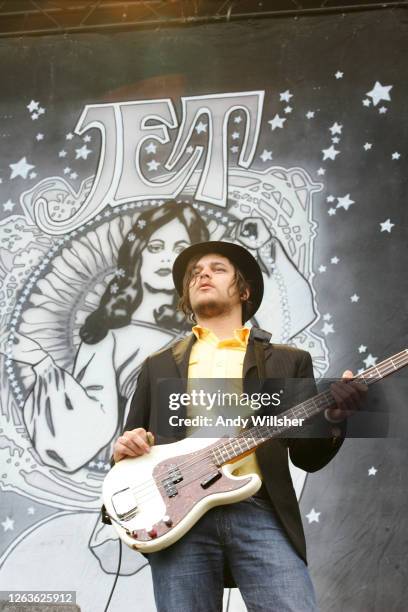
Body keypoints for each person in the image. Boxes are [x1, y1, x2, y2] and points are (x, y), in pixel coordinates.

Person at [111, 240, 366, 612]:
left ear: (244, 290)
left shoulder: (285, 362)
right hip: (177, 518)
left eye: (217, 268)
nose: (202, 274)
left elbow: (307, 455)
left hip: (259, 510)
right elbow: (129, 449)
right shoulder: (157, 365)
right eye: (195, 273)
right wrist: (125, 448)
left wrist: (333, 418)